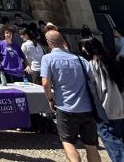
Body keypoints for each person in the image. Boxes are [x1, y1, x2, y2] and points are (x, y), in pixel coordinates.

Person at [41, 30, 102, 162]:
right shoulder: (80, 59)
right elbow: (95, 82)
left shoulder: (47, 58)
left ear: (48, 43)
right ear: (63, 41)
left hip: (65, 107)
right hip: (87, 107)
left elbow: (45, 83)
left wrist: (50, 98)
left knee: (68, 142)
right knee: (91, 146)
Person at [80, 38, 124, 162]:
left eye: (84, 48)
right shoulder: (110, 62)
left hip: (107, 110)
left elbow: (95, 89)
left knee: (113, 144)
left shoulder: (94, 65)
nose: (82, 50)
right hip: (122, 107)